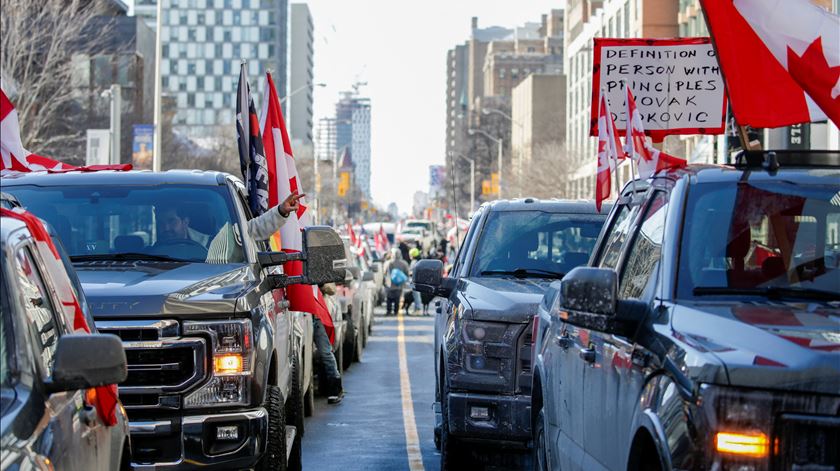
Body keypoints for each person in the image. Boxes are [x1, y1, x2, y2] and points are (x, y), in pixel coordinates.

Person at [384, 248, 409, 316]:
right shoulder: (404, 263)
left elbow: (385, 272)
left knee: (389, 298)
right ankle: (396, 311)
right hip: (399, 284)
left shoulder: (388, 263)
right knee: (397, 299)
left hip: (389, 284)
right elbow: (407, 273)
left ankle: (388, 311)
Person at [407, 247, 422, 315]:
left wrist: (409, 273)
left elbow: (413, 272)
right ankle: (416, 309)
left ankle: (418, 310)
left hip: (415, 281)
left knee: (416, 296)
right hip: (416, 280)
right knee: (416, 295)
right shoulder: (418, 261)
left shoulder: (414, 262)